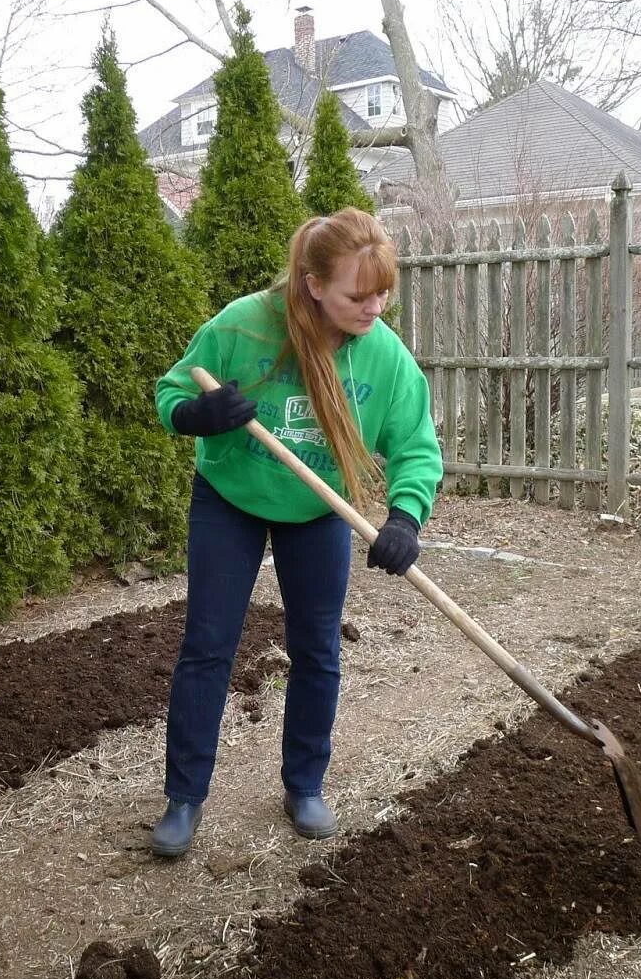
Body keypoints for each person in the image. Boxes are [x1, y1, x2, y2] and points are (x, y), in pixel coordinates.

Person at [149, 207, 443, 858]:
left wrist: (404, 516)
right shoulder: (242, 325)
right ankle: (184, 796)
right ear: (313, 284)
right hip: (231, 499)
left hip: (318, 511)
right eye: (357, 295)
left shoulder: (383, 356)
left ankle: (304, 783)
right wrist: (197, 413)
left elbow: (416, 445)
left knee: (317, 648)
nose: (374, 307)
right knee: (208, 645)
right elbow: (170, 390)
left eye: (382, 292)